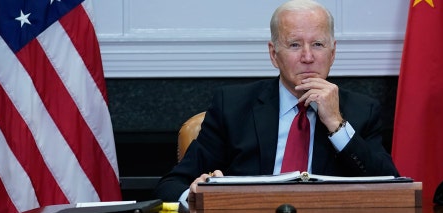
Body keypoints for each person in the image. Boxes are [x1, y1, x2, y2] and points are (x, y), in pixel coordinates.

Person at [154, 0, 399, 202]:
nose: (307, 56)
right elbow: (171, 186)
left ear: (332, 53)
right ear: (274, 54)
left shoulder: (361, 111)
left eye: (318, 44)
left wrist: (336, 123)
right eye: (294, 44)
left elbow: (393, 191)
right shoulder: (233, 107)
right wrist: (194, 195)